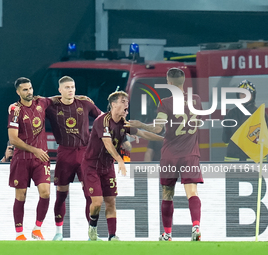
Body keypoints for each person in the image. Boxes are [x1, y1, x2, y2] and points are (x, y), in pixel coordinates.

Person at [129, 68, 203, 241]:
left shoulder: (165, 102)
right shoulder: (196, 100)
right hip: (191, 154)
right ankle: (196, 226)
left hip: (170, 154)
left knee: (167, 193)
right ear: (183, 81)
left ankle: (168, 234)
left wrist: (141, 125)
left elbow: (158, 128)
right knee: (192, 192)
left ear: (169, 83)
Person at [82, 91, 163, 241]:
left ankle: (112, 236)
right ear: (114, 104)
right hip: (91, 166)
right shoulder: (102, 121)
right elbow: (107, 144)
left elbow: (144, 134)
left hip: (107, 167)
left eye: (127, 101)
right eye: (123, 101)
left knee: (111, 201)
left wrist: (166, 140)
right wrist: (120, 160)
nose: (127, 104)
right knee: (97, 202)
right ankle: (92, 227)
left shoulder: (123, 123)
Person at [45, 76, 102, 241]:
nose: (71, 90)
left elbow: (102, 118)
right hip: (65, 153)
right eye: (67, 87)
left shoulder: (84, 103)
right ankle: (58, 233)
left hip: (85, 154)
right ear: (60, 90)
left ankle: (92, 232)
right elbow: (36, 105)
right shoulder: (51, 106)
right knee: (61, 194)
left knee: (89, 195)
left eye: (73, 87)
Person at [8, 77, 52, 241]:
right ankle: (19, 234)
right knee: (21, 196)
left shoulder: (41, 102)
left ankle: (37, 229)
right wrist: (35, 150)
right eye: (25, 90)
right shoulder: (15, 109)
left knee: (45, 193)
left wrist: (79, 98)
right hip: (22, 158)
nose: (29, 92)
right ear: (18, 92)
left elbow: (57, 99)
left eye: (30, 88)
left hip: (41, 159)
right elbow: (13, 139)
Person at [222, 80, 268, 161]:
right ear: (238, 95)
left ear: (253, 95)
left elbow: (267, 137)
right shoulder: (230, 114)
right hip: (234, 159)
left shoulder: (260, 114)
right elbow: (225, 138)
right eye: (242, 94)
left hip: (254, 160)